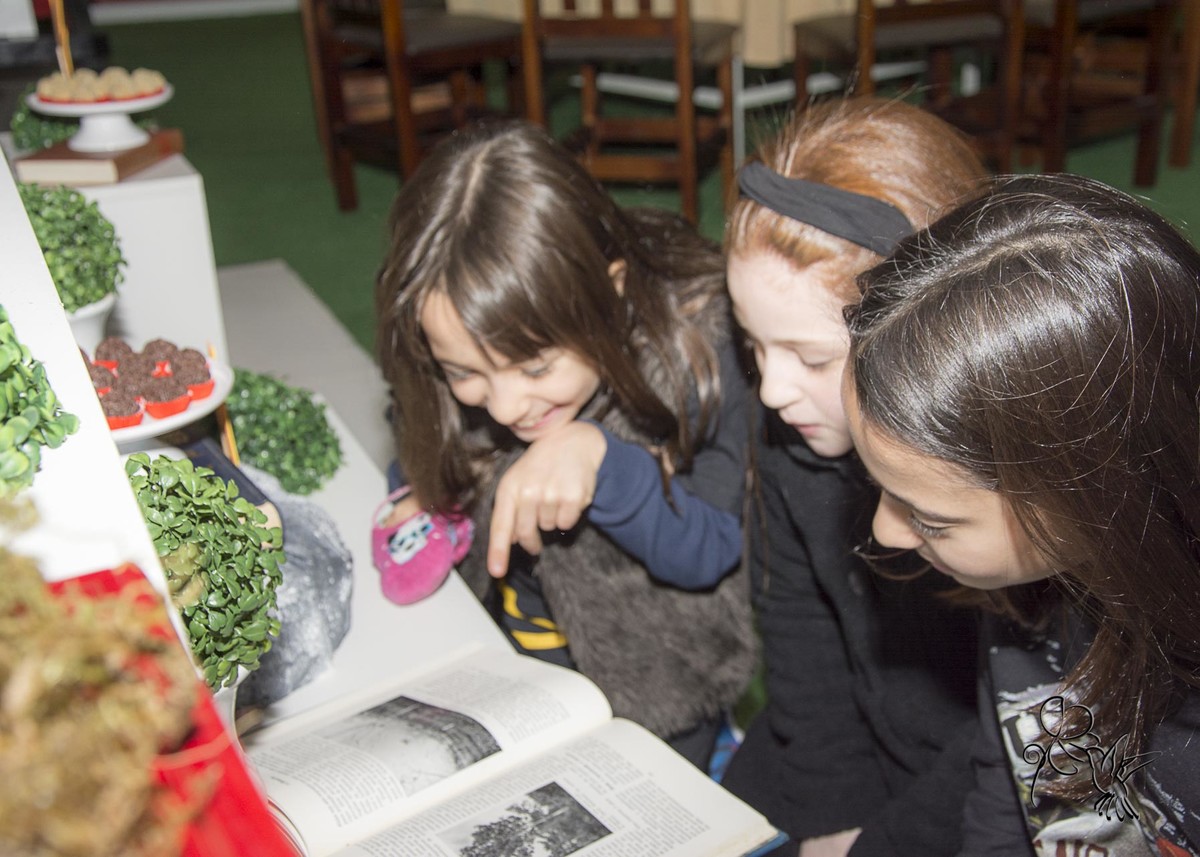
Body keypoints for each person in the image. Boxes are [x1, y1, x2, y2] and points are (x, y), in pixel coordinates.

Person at [373, 119, 757, 770]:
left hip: (659, 695)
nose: (504, 406)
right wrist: (418, 493)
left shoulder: (701, 351)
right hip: (512, 680)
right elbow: (423, 440)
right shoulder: (449, 346)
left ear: (606, 291)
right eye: (465, 372)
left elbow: (714, 551)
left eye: (534, 367)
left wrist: (608, 465)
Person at [843, 173, 1200, 855]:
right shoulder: (1046, 582)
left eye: (930, 517)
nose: (883, 531)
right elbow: (1011, 788)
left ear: (1090, 499)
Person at [718, 97, 990, 857]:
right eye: (752, 346)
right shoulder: (794, 424)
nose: (770, 390)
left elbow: (1018, 730)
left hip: (983, 773)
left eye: (810, 358)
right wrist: (833, 810)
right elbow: (798, 621)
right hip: (854, 730)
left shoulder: (1011, 491)